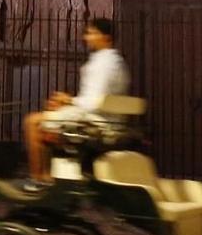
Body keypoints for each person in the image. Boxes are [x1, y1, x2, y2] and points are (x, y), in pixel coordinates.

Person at [23, 17, 130, 178]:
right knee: (48, 123)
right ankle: (53, 176)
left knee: (32, 122)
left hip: (95, 120)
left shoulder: (104, 63)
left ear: (106, 37)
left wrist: (68, 100)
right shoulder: (116, 61)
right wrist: (66, 104)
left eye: (92, 33)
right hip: (104, 118)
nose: (86, 38)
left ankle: (39, 179)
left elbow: (93, 102)